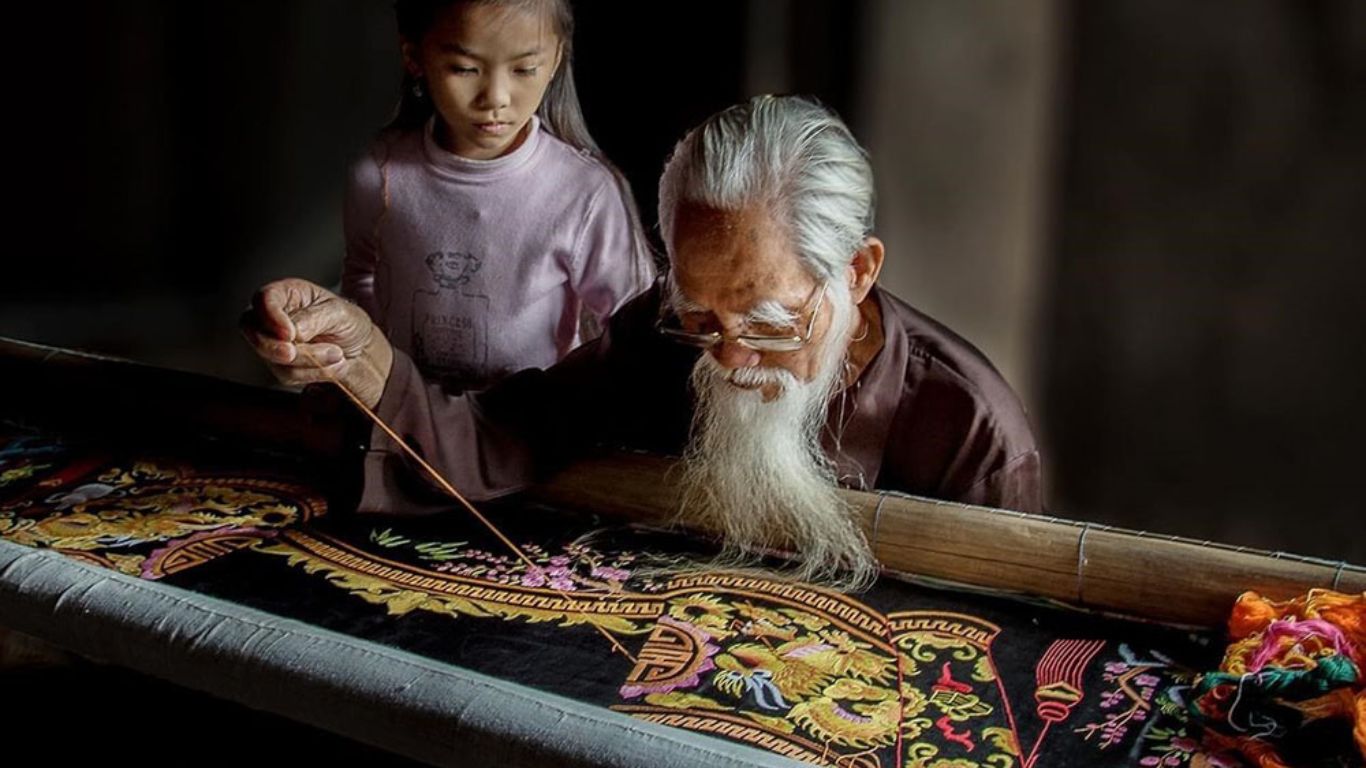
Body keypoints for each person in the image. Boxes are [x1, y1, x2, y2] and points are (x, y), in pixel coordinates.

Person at [246, 96, 1043, 590]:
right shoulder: (667, 333)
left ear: (859, 271)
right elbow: (506, 434)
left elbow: (993, 668)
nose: (729, 359)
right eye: (702, 319)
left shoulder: (972, 431)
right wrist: (367, 361)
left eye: (769, 324)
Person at [341, 0, 653, 391]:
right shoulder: (379, 172)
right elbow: (361, 275)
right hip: (407, 418)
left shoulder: (583, 192)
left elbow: (635, 326)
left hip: (528, 428)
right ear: (414, 56)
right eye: (465, 69)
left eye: (524, 69)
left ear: (556, 58)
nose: (496, 98)